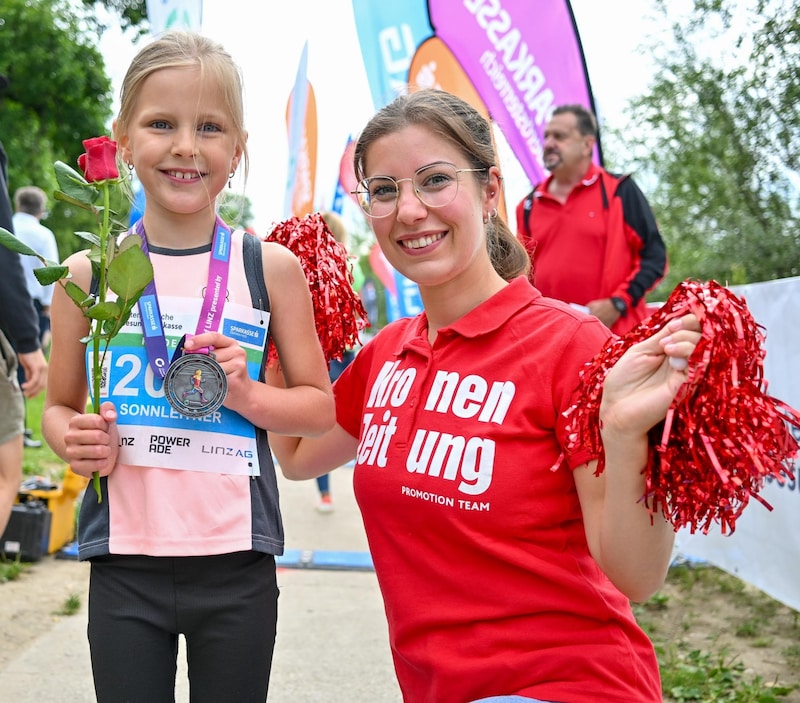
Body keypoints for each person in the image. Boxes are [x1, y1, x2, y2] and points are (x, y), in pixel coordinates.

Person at [269, 88, 702, 703]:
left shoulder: (570, 343)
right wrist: (286, 311)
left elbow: (637, 576)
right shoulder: (387, 352)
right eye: (385, 190)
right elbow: (294, 452)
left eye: (435, 180)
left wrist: (627, 435)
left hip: (571, 684)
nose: (410, 210)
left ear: (490, 190)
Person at [41, 32, 334, 703]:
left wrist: (252, 396)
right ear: (123, 139)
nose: (184, 146)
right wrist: (71, 438)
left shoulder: (270, 269)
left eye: (209, 127)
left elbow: (319, 407)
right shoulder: (87, 275)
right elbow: (58, 406)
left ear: (239, 147)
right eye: (161, 124)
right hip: (123, 563)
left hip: (237, 567)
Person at [515, 104, 667, 335]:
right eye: (546, 136)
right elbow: (522, 275)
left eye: (560, 136)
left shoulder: (619, 190)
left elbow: (654, 258)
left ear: (587, 145)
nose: (549, 143)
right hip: (554, 340)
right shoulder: (527, 206)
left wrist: (617, 303)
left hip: (617, 339)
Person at [0, 73, 49, 535]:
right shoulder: (42, 234)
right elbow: (6, 262)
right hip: (20, 311)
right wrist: (33, 340)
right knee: (3, 475)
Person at [313, 209, 365, 513]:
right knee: (354, 413)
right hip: (341, 351)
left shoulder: (313, 268)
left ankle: (325, 493)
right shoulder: (346, 267)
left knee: (325, 425)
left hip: (329, 352)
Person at [12, 185, 59, 448]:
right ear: (41, 210)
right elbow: (50, 273)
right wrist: (48, 314)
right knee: (24, 366)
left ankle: (14, 427)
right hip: (31, 306)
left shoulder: (8, 227)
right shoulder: (43, 234)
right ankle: (18, 429)